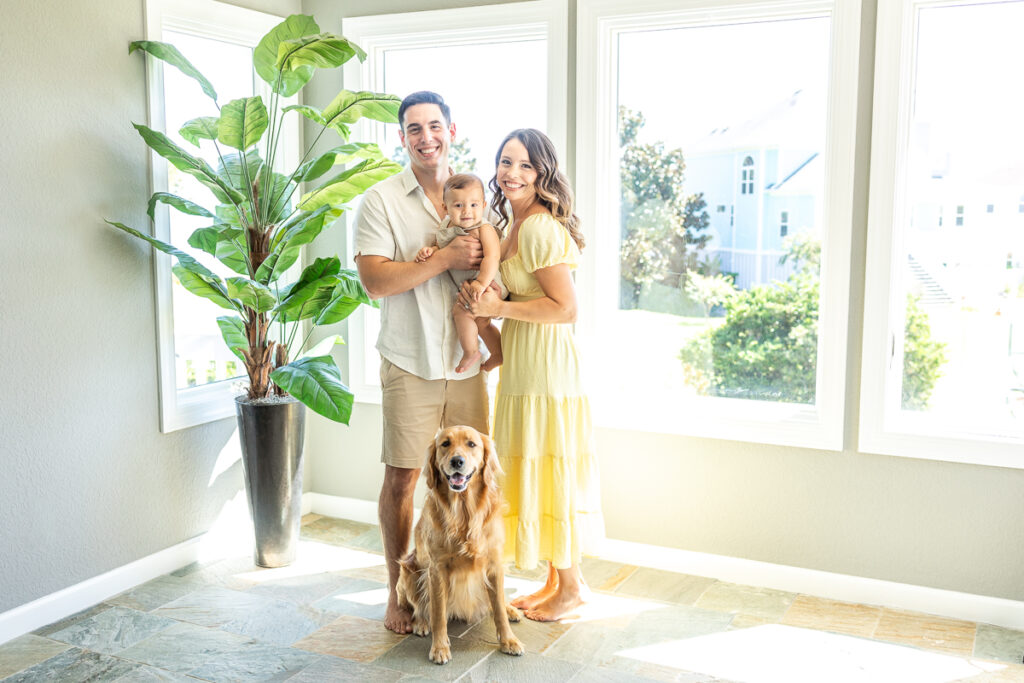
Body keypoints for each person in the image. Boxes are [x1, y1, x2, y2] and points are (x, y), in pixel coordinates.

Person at [353, 91, 489, 635]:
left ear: (452, 131)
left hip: (466, 362)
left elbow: (492, 261)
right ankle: (397, 592)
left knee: (475, 478)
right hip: (409, 360)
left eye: (435, 126)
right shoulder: (380, 201)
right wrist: (448, 261)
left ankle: (469, 581)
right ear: (402, 137)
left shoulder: (476, 194)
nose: (426, 137)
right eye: (414, 129)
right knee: (404, 479)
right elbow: (375, 280)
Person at [459, 129, 604, 622]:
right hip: (526, 365)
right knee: (538, 469)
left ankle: (573, 589)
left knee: (551, 466)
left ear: (542, 172)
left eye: (524, 165)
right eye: (504, 163)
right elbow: (515, 304)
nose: (511, 174)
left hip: (547, 371)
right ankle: (554, 580)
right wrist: (483, 315)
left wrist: (498, 305)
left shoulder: (539, 227)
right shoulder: (509, 226)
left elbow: (566, 309)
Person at [415, 173, 504, 373]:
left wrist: (481, 283)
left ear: (483, 205)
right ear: (445, 208)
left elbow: (492, 257)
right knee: (479, 320)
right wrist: (430, 251)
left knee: (464, 313)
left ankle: (472, 351)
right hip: (469, 285)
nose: (467, 212)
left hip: (487, 281)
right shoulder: (446, 227)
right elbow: (441, 247)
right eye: (458, 206)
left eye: (474, 205)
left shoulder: (484, 229)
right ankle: (495, 353)